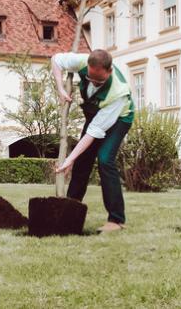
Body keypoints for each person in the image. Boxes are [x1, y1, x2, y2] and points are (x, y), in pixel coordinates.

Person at [52, 49, 134, 233]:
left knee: (105, 159)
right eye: (91, 79)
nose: (95, 84)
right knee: (82, 161)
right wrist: (60, 88)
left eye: (100, 81)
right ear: (88, 66)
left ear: (110, 71)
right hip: (96, 116)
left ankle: (116, 220)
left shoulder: (117, 92)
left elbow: (93, 133)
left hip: (119, 118)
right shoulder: (82, 61)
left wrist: (69, 160)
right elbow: (56, 60)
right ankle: (70, 211)